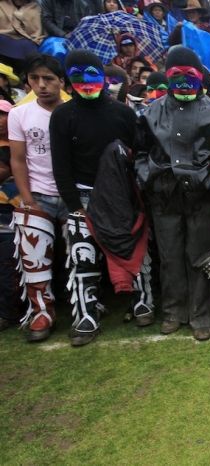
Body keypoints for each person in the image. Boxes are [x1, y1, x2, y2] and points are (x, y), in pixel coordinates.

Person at [136, 46, 210, 341]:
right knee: (170, 255)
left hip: (201, 197)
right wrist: (149, 177)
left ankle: (203, 313)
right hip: (164, 195)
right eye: (176, 74)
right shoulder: (150, 112)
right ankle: (174, 311)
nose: (183, 81)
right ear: (167, 75)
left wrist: (208, 179)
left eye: (189, 74)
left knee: (200, 255)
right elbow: (139, 152)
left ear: (199, 75)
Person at [49, 49, 138, 346]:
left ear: (103, 76)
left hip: (121, 196)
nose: (86, 82)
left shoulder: (123, 114)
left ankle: (143, 301)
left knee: (134, 251)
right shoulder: (62, 115)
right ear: (67, 81)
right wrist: (74, 205)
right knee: (82, 257)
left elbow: (135, 158)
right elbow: (60, 165)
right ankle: (86, 315)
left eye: (92, 74)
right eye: (77, 75)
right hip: (82, 197)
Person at [7, 55, 67, 342]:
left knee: (83, 254)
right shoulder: (20, 114)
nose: (42, 85)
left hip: (73, 194)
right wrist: (27, 198)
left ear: (61, 82)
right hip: (38, 194)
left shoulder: (72, 111)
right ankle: (42, 311)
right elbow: (18, 160)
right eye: (35, 79)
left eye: (49, 79)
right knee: (34, 256)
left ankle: (85, 305)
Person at [0, 99, 21, 331]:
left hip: (15, 209)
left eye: (2, 114)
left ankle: (9, 311)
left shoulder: (17, 143)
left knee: (9, 261)